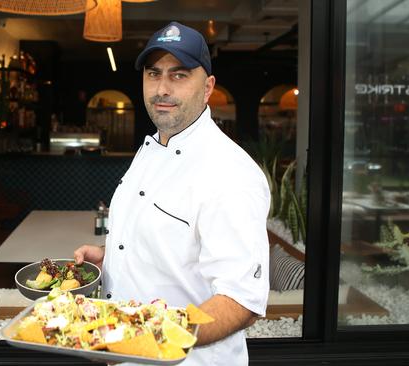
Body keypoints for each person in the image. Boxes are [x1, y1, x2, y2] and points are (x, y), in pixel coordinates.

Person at [74, 21, 270, 365]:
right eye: (154, 74)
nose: (162, 88)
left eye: (179, 75)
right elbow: (172, 244)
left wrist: (142, 336)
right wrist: (111, 257)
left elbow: (241, 302)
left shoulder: (230, 173)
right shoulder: (151, 148)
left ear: (207, 87)